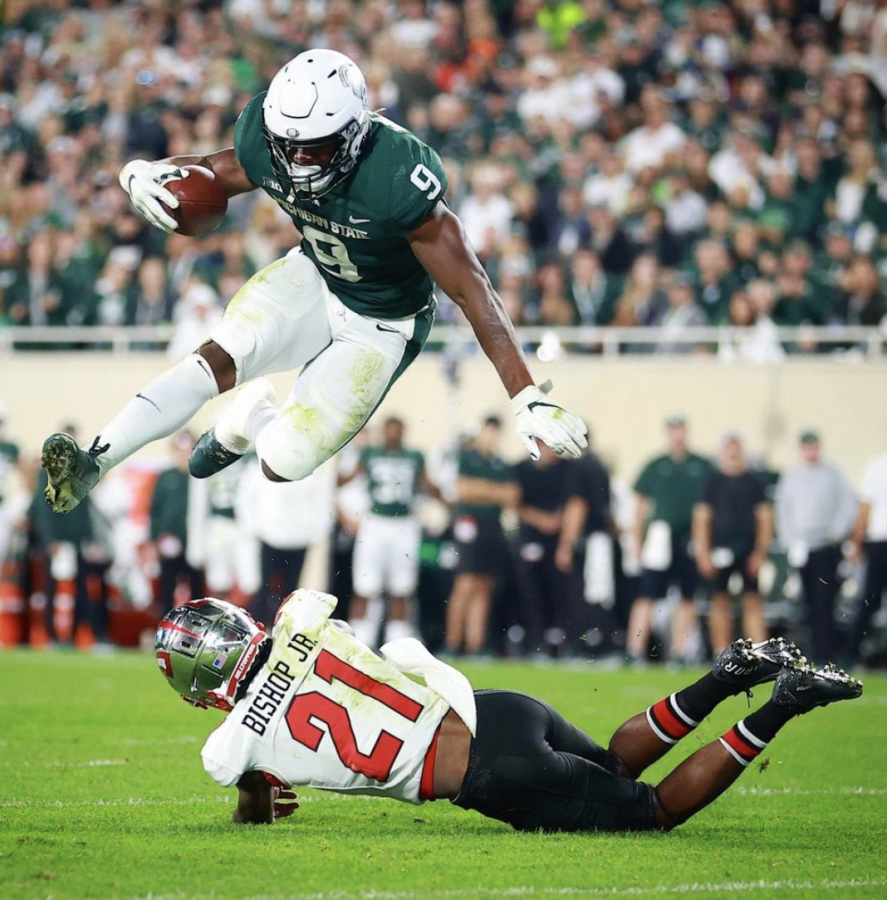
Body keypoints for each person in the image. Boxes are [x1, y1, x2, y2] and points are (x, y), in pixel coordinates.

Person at [39, 49, 586, 516]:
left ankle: (246, 425)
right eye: (288, 145)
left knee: (283, 462)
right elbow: (215, 172)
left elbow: (472, 287)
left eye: (315, 146)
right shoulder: (272, 137)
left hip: (382, 322)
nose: (297, 161)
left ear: (352, 131)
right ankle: (94, 463)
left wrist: (524, 393)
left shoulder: (396, 174)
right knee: (216, 357)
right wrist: (147, 170)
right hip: (317, 275)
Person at [154, 591, 862, 831]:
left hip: (486, 772)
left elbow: (246, 788)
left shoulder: (228, 748)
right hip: (495, 708)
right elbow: (301, 634)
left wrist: (255, 788)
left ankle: (781, 704)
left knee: (652, 811)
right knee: (612, 765)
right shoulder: (300, 614)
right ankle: (723, 677)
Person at [338, 416, 442, 648]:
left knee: (402, 586)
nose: (393, 435)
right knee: (365, 585)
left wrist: (444, 493)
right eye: (389, 430)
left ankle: (398, 642)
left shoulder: (415, 456)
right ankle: (360, 640)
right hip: (375, 522)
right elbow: (344, 479)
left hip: (404, 523)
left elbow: (428, 485)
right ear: (383, 432)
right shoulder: (369, 454)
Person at [626, 415, 714, 664]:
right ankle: (635, 649)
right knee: (647, 595)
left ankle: (679, 650)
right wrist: (636, 541)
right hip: (659, 539)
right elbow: (640, 505)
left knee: (687, 596)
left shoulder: (701, 465)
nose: (678, 435)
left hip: (689, 537)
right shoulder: (656, 465)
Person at [774, 431, 858, 662]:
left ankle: (826, 652)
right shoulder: (793, 475)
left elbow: (847, 505)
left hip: (826, 547)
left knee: (825, 601)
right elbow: (784, 510)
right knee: (805, 603)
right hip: (801, 549)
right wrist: (790, 541)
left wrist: (836, 533)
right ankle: (810, 650)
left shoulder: (833, 473)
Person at [693, 433, 773, 655]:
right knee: (719, 600)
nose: (733, 453)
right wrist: (703, 553)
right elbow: (701, 518)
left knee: (752, 599)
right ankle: (721, 651)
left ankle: (760, 652)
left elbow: (765, 517)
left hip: (747, 550)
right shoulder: (713, 481)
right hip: (719, 549)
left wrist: (760, 551)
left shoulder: (754, 481)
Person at [446, 416, 517, 656]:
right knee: (465, 582)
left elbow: (511, 497)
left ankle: (475, 644)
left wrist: (482, 489)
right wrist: (493, 491)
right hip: (470, 524)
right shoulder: (467, 458)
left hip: (491, 525)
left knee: (484, 585)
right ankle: (454, 642)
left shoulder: (500, 463)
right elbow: (464, 489)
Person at [149, 432, 203, 609]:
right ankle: (164, 627)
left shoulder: (201, 477)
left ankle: (197, 629)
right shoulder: (166, 476)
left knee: (197, 588)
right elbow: (155, 510)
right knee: (167, 588)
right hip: (170, 541)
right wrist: (155, 538)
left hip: (194, 540)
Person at [848, 444, 887, 661]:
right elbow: (865, 508)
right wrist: (857, 541)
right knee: (870, 600)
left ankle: (853, 651)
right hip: (880, 542)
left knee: (870, 600)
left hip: (879, 543)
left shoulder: (877, 466)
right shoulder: (877, 466)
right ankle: (853, 651)